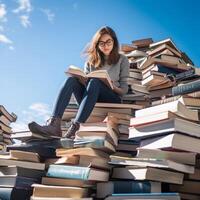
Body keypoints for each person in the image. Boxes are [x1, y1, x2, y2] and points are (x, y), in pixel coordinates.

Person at [28, 26, 130, 138]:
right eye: (101, 43)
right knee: (71, 80)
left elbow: (124, 90)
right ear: (97, 45)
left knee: (95, 81)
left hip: (111, 97)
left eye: (108, 42)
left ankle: (75, 127)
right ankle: (54, 125)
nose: (105, 46)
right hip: (91, 96)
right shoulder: (91, 62)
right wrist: (83, 80)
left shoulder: (122, 59)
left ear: (114, 42)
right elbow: (88, 86)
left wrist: (112, 85)